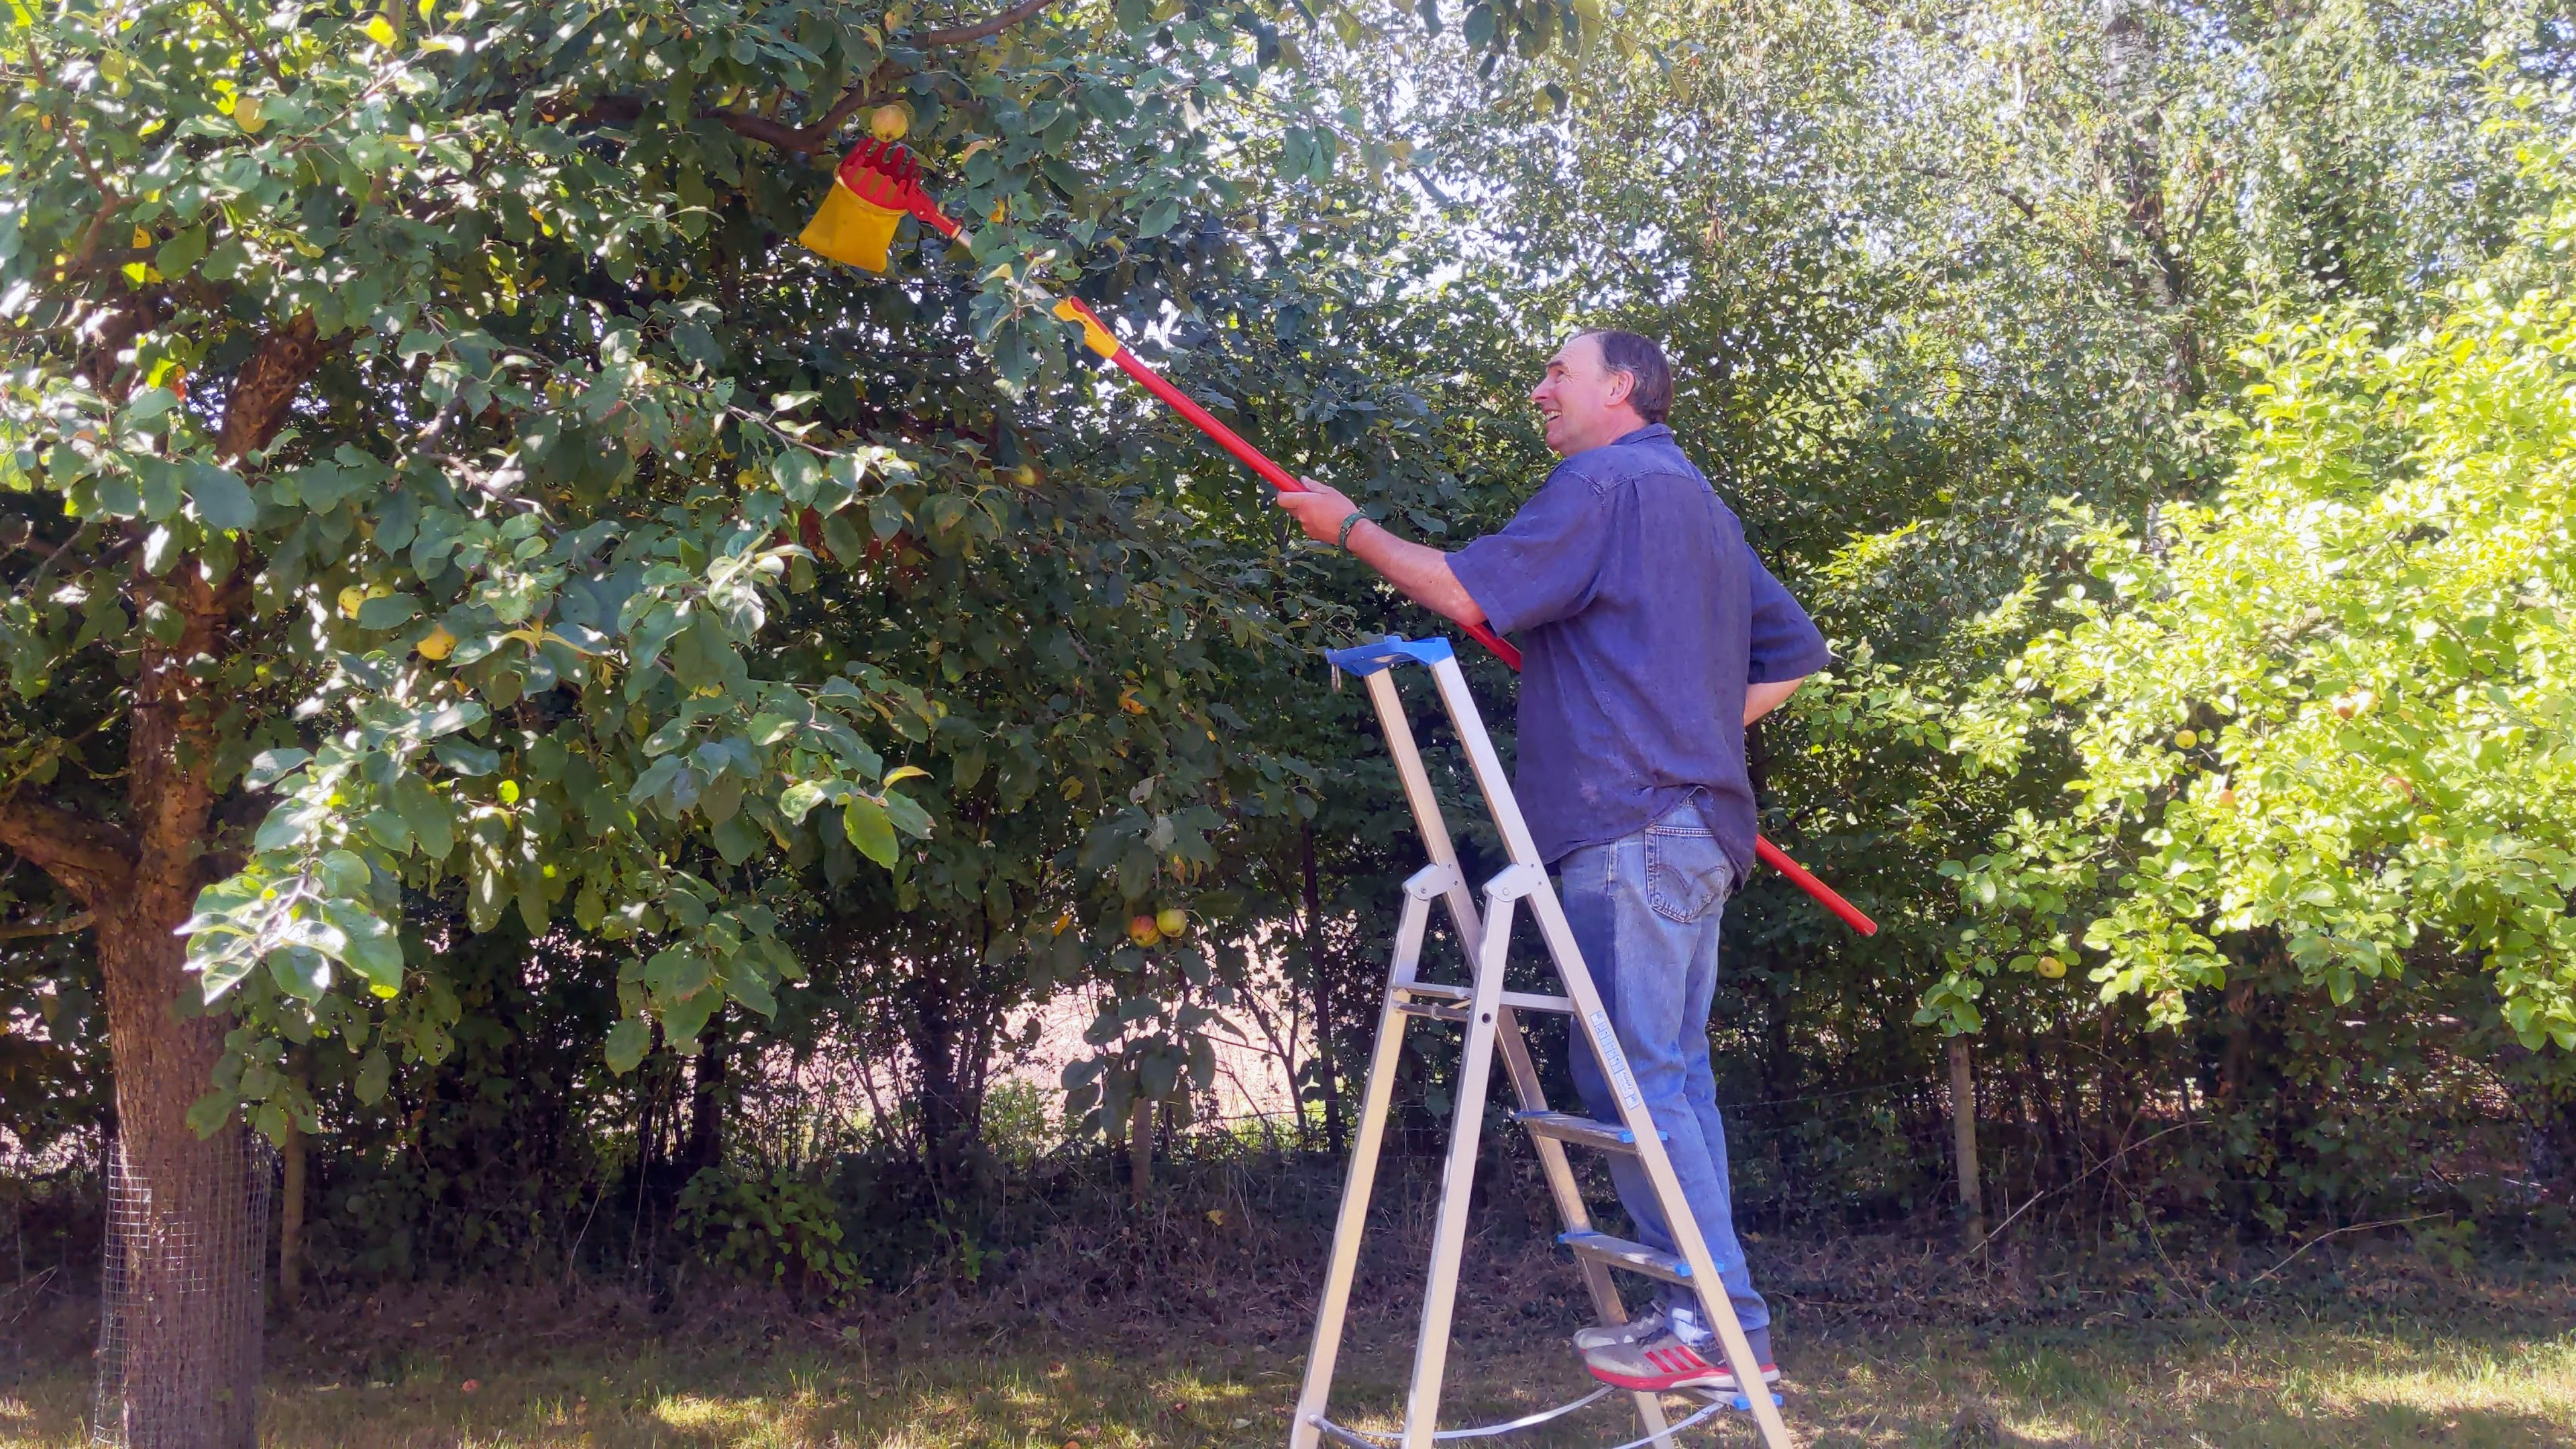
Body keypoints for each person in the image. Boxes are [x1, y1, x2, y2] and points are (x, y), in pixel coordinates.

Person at [1274, 329, 1831, 1395]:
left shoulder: (1605, 483)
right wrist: (1698, 734)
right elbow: (1795, 656)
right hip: (1697, 831)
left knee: (1634, 1083)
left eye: (1557, 375)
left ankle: (1712, 1323)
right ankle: (1721, 1318)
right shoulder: (1698, 506)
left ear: (1618, 388)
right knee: (1669, 1080)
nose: (1540, 392)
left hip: (1631, 828)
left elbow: (1462, 592)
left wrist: (1348, 528)